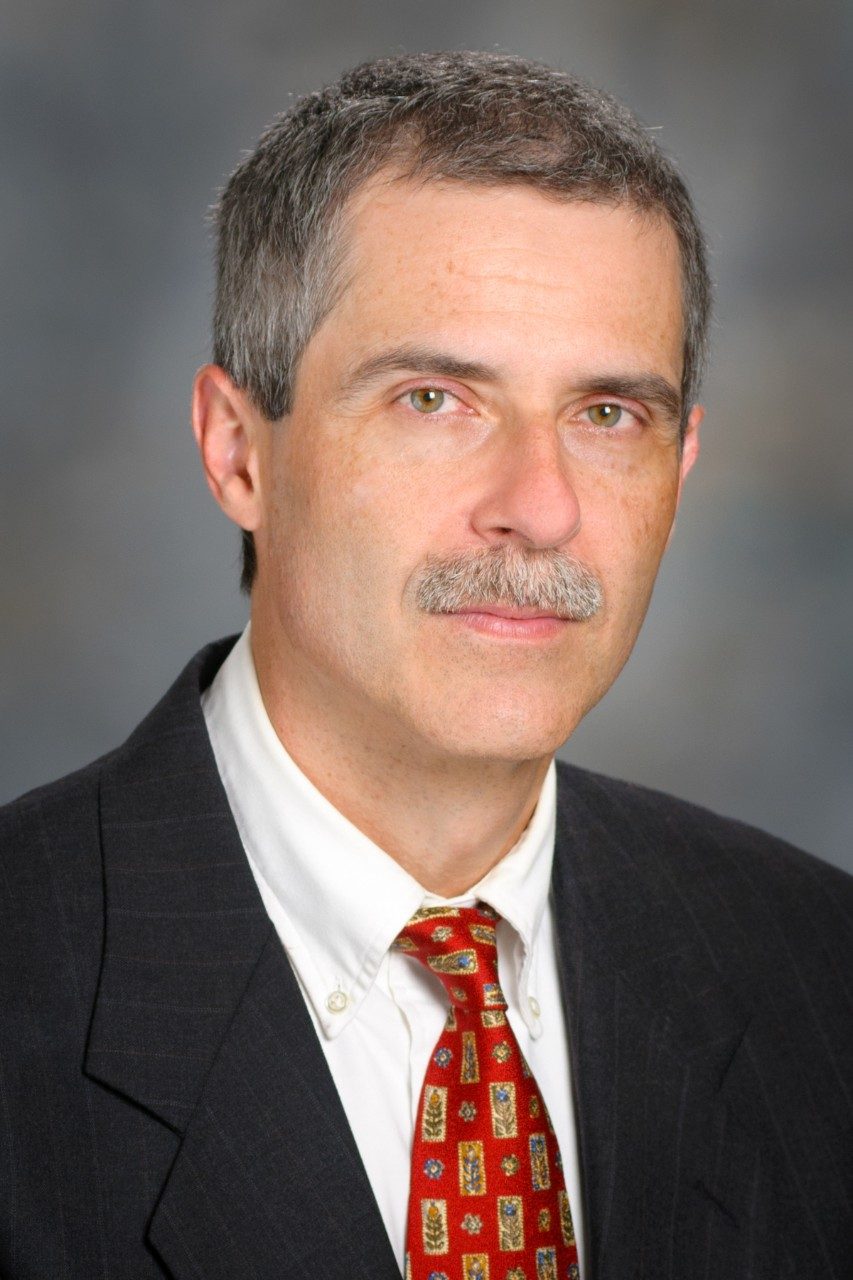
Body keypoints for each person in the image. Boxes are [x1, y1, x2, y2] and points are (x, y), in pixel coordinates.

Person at [0, 51, 850, 1280]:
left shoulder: (819, 973)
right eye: (434, 400)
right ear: (238, 451)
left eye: (607, 414)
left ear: (681, 465)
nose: (540, 506)